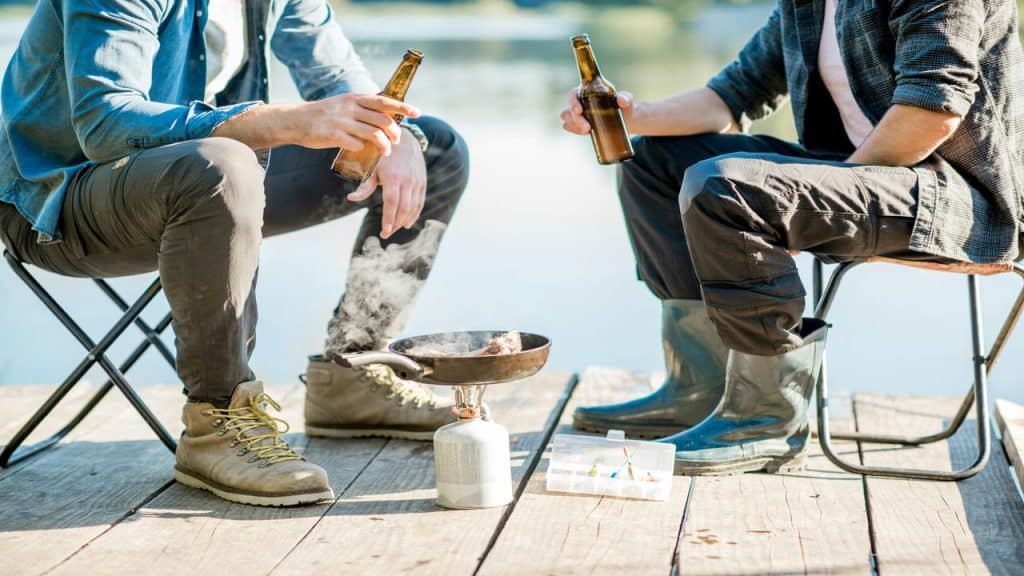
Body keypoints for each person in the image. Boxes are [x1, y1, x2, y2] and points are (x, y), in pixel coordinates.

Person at [0, 0, 469, 506]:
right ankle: (217, 421)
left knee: (433, 147)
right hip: (57, 203)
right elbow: (106, 125)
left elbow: (336, 76)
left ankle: (352, 373)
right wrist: (281, 122)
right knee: (223, 164)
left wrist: (387, 134)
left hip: (197, 185)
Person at [561, 0, 1024, 474]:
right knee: (650, 165)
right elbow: (730, 97)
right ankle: (700, 389)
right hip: (859, 176)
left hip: (959, 200)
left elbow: (932, 112)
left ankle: (764, 418)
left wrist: (814, 194)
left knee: (727, 186)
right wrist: (626, 116)